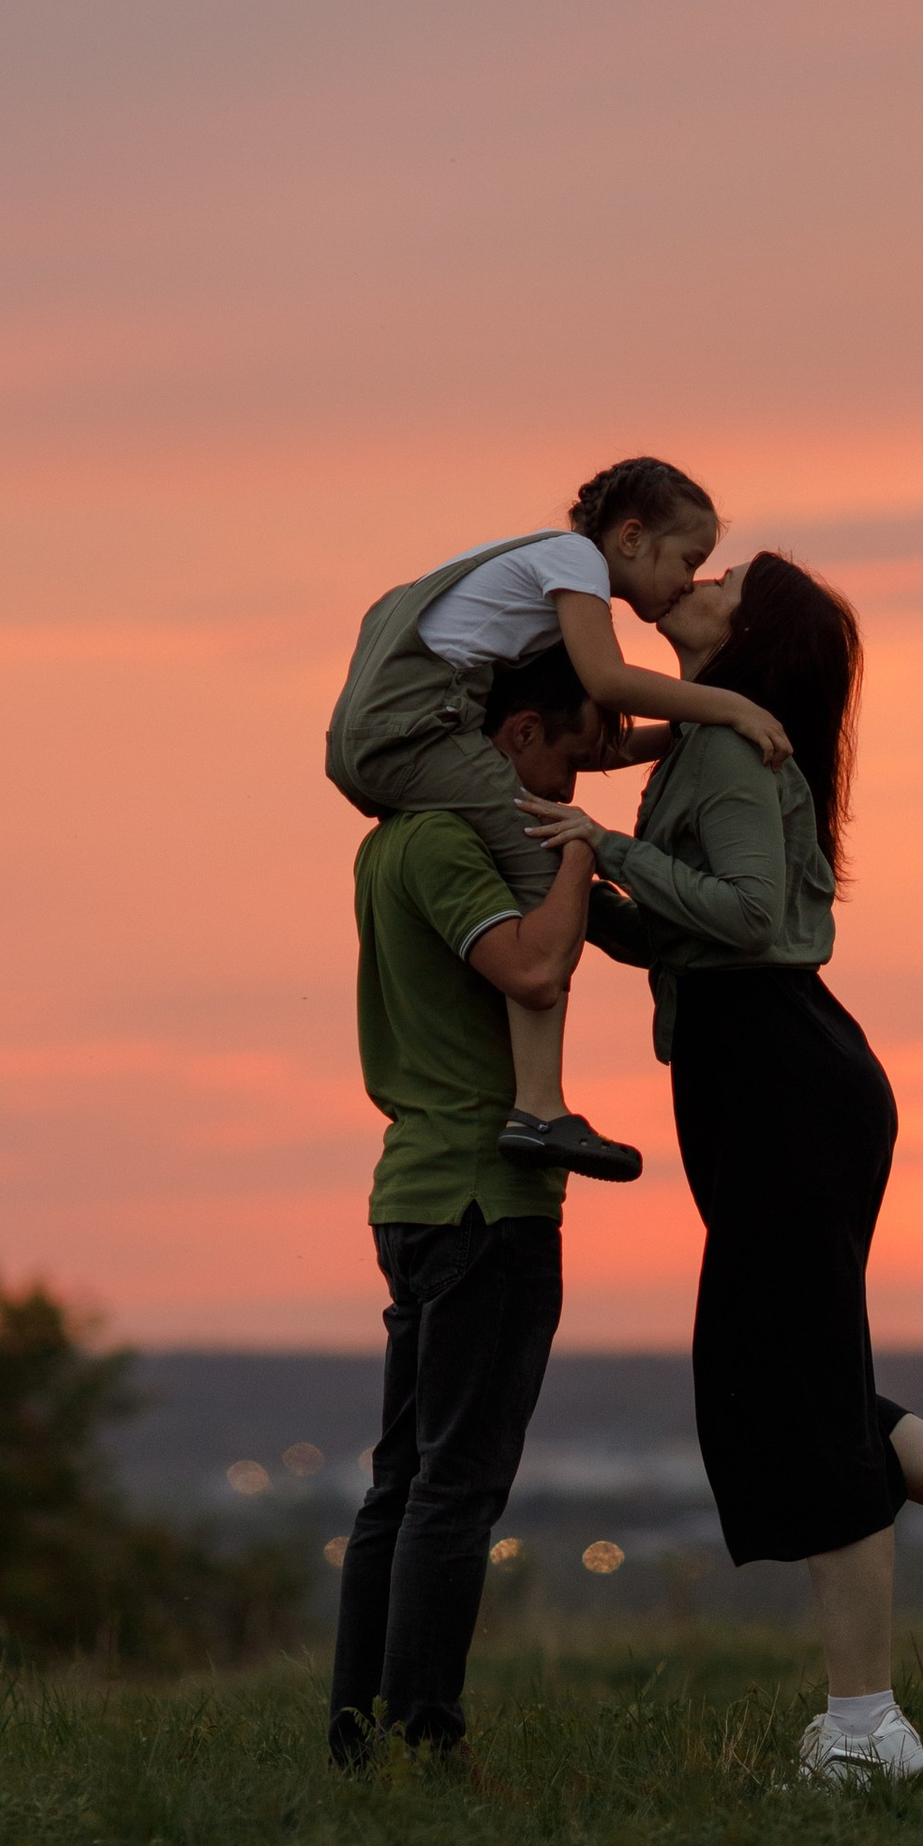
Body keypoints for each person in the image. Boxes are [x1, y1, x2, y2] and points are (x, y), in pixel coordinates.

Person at [521, 549, 923, 1786]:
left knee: (789, 1387)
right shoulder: (701, 747)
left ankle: (868, 1729)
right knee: (772, 1381)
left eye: (720, 586)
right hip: (760, 1076)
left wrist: (606, 845)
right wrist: (581, 879)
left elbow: (746, 918)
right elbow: (695, 933)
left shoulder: (739, 758)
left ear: (747, 641)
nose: (689, 585)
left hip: (781, 1078)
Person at [325, 459, 792, 1177]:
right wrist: (732, 705)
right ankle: (540, 1109)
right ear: (631, 538)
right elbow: (608, 681)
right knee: (545, 853)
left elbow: (584, 742)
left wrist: (692, 734)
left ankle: (547, 1062)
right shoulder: (573, 560)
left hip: (377, 735)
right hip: (417, 726)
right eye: (688, 560)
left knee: (530, 830)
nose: (687, 580)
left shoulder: (518, 574)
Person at [328, 642, 610, 1765]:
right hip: (481, 1199)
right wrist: (582, 855)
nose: (568, 797)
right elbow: (532, 970)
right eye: (567, 765)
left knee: (400, 1483)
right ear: (514, 737)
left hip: (418, 1190)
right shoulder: (451, 842)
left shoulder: (387, 841)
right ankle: (423, 1738)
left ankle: (359, 1733)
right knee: (456, 1487)